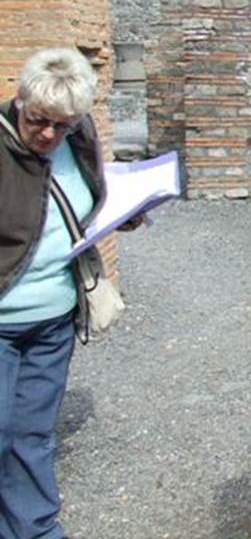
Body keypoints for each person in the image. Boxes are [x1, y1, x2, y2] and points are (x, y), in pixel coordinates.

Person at [0, 47, 140, 539]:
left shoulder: (76, 133)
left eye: (62, 125)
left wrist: (126, 208)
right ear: (19, 102)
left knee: (31, 434)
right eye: (39, 121)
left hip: (53, 318)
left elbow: (86, 195)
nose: (49, 135)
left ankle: (34, 528)